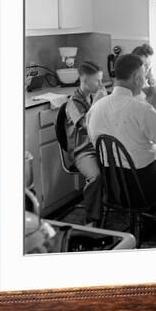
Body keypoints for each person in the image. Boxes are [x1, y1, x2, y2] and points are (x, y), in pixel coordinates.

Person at [87, 53, 156, 245]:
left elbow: (95, 141)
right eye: (144, 76)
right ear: (137, 78)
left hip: (111, 185)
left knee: (155, 164)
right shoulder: (141, 109)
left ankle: (147, 224)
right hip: (141, 187)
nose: (144, 80)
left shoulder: (96, 108)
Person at [64, 61, 108, 226]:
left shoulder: (92, 95)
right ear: (85, 81)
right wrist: (97, 102)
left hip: (100, 147)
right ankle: (92, 219)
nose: (101, 84)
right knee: (96, 176)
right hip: (83, 151)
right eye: (97, 81)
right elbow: (87, 125)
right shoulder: (73, 103)